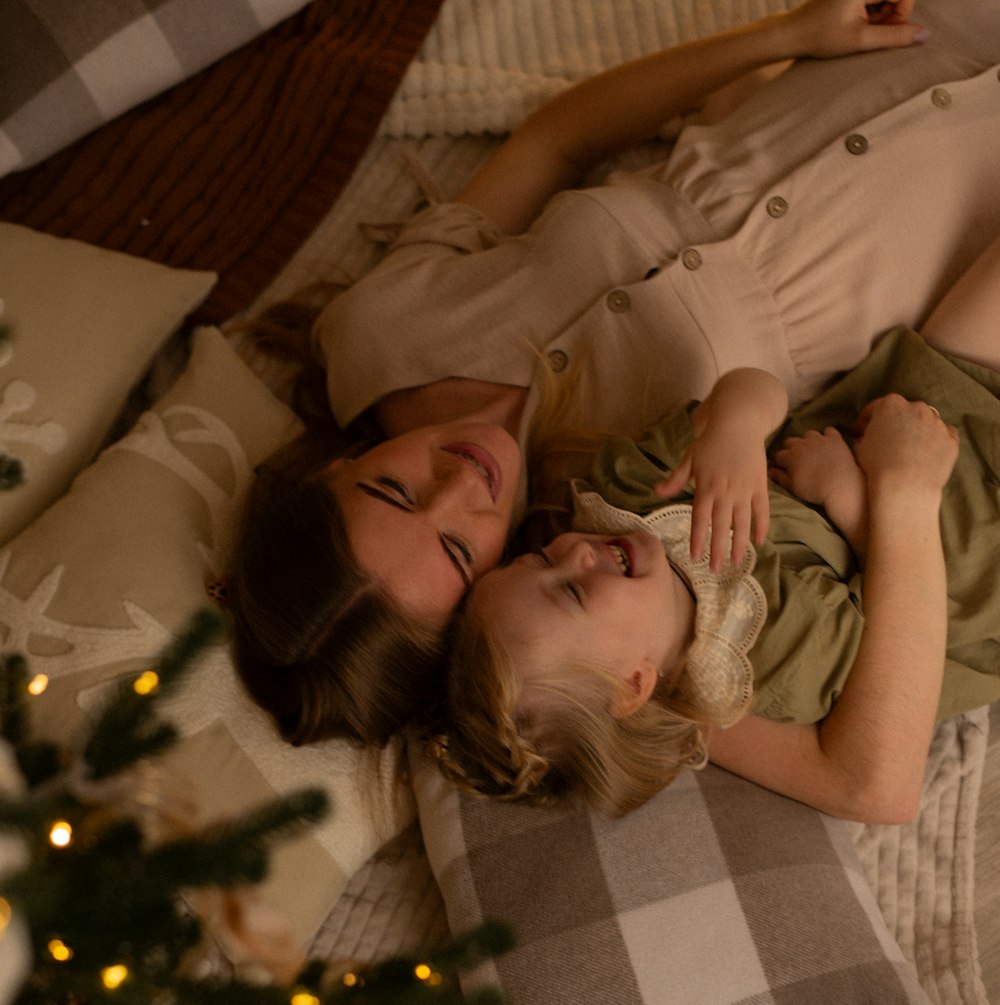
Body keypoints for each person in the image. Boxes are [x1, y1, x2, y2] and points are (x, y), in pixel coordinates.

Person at [227, 0, 1000, 746]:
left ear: (335, 470)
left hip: (876, 68)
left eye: (393, 489)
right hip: (971, 219)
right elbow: (865, 763)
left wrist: (783, 34)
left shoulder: (379, 336)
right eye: (461, 552)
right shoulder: (627, 526)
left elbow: (552, 144)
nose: (463, 486)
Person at [429, 234, 1000, 824]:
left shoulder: (634, 492)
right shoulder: (777, 660)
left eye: (538, 559)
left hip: (931, 398)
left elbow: (753, 388)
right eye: (573, 591)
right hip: (975, 549)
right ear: (633, 686)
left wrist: (738, 424)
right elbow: (920, 625)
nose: (575, 552)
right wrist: (855, 503)